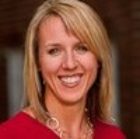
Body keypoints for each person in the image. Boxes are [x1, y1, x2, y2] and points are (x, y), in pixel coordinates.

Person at [0, 0, 126, 139]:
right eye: (54, 51)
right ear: (37, 62)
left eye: (81, 48)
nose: (70, 64)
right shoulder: (10, 135)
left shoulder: (113, 135)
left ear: (98, 59)